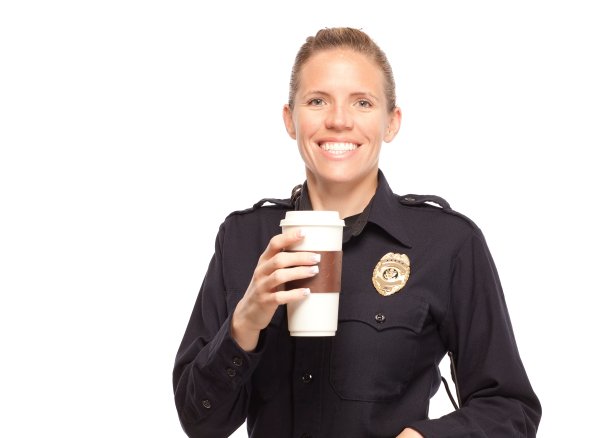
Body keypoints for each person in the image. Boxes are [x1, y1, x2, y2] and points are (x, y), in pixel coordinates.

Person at [173, 27, 541, 437]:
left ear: (391, 122)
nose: (339, 120)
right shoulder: (243, 238)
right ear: (289, 119)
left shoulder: (447, 243)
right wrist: (245, 323)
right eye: (317, 101)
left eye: (363, 103)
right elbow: (200, 422)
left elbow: (511, 408)